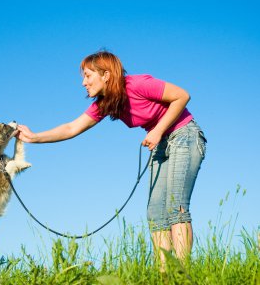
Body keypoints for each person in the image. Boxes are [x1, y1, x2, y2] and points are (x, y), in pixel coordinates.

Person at [17, 50, 207, 269]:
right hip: (160, 142)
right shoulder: (106, 103)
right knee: (155, 213)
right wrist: (34, 137)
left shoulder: (136, 84)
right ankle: (165, 275)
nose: (83, 83)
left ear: (105, 75)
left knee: (176, 207)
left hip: (184, 136)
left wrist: (157, 130)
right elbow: (72, 127)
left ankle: (182, 274)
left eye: (88, 76)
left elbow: (182, 95)